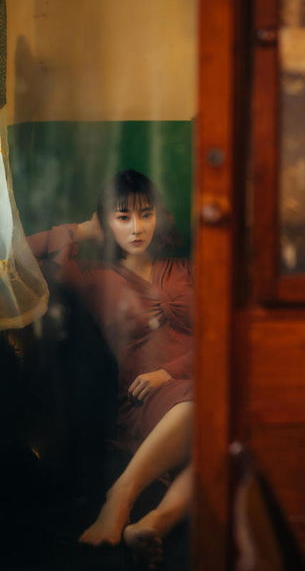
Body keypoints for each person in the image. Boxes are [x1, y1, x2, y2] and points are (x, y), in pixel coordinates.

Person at [27, 169, 194, 568]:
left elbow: (221, 336)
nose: (137, 227)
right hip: (145, 397)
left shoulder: (188, 269)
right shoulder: (91, 278)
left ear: (159, 216)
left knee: (223, 443)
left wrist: (170, 371)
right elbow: (18, 253)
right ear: (108, 222)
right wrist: (83, 230)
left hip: (197, 382)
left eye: (146, 214)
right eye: (123, 217)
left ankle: (152, 524)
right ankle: (120, 497)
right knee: (214, 414)